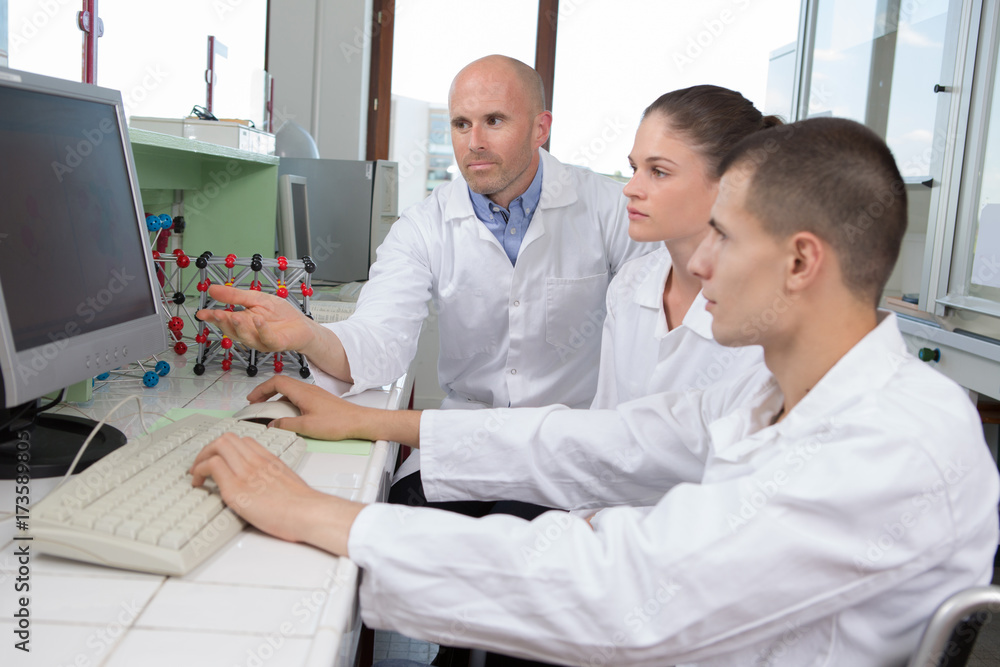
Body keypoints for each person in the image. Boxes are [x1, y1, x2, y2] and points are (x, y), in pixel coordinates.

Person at [191, 117, 1000, 665]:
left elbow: (635, 589)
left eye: (722, 235)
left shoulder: (892, 441)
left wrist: (321, 513)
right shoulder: (776, 394)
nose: (700, 262)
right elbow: (594, 439)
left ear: (800, 262)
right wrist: (375, 425)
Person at [197, 54, 650, 415]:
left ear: (540, 129)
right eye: (460, 124)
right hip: (463, 438)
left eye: (494, 121)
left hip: (568, 444)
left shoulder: (610, 209)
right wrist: (308, 335)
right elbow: (382, 340)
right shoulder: (423, 227)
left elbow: (647, 346)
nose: (474, 142)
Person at [591, 85, 775, 411]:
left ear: (732, 183)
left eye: (658, 172)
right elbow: (604, 423)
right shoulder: (629, 284)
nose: (631, 188)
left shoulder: (766, 317)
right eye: (634, 169)